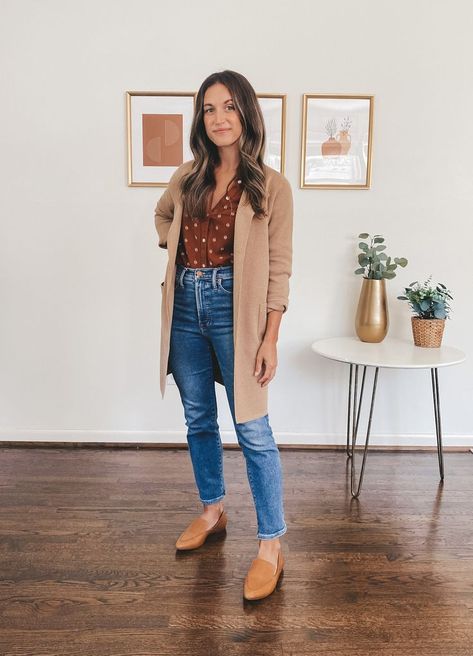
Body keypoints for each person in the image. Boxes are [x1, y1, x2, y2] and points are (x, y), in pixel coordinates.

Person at [154, 69, 293, 601]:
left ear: (247, 114)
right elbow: (162, 218)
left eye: (229, 107)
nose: (219, 118)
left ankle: (271, 544)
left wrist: (269, 336)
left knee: (253, 427)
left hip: (239, 309)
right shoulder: (187, 177)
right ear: (201, 118)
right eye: (210, 108)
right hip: (186, 304)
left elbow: (278, 269)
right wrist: (173, 247)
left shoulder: (270, 186)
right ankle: (213, 510)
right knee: (197, 418)